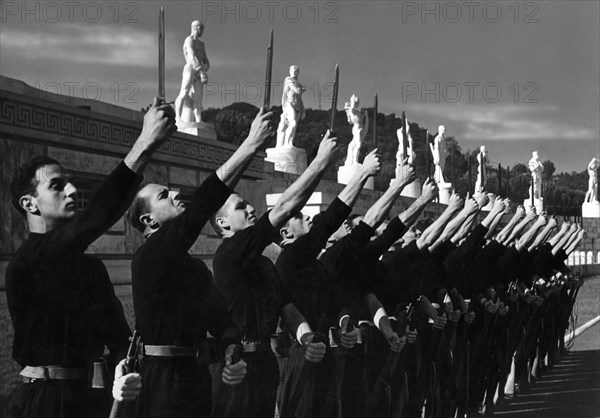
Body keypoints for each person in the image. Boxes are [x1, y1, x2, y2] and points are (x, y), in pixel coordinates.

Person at [5, 98, 176, 418]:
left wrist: (122, 371)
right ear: (29, 204)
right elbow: (98, 215)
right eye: (57, 186)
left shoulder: (89, 266)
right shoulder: (27, 263)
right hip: (42, 403)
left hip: (89, 401)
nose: (71, 190)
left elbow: (118, 338)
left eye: (70, 182)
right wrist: (145, 142)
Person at [126, 108, 273, 418]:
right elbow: (200, 209)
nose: (177, 194)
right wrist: (249, 146)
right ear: (148, 220)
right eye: (165, 195)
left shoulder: (193, 268)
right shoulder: (147, 259)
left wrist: (231, 350)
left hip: (195, 380)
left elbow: (222, 321)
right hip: (160, 383)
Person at [210, 131, 340, 418]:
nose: (250, 208)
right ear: (222, 222)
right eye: (240, 207)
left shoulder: (265, 264)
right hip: (236, 365)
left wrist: (306, 338)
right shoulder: (228, 254)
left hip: (265, 365)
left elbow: (290, 311)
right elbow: (283, 207)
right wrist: (320, 162)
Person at [175, 20, 210, 123]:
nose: (202, 31)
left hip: (199, 72)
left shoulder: (201, 44)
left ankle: (198, 118)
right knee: (184, 92)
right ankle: (177, 116)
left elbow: (205, 59)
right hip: (190, 69)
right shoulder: (188, 40)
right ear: (197, 28)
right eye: (201, 29)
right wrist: (201, 71)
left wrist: (205, 67)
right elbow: (192, 56)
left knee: (197, 97)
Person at [276, 65, 305, 148]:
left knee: (294, 126)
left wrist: (303, 110)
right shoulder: (288, 80)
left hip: (298, 106)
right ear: (290, 71)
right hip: (289, 104)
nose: (295, 73)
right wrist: (302, 89)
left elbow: (300, 98)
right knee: (292, 123)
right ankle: (286, 143)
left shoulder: (299, 83)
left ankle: (290, 143)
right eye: (293, 71)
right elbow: (296, 90)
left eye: (296, 71)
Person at [344, 94, 369, 166]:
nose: (357, 104)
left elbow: (362, 118)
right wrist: (352, 100)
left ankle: (352, 160)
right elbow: (351, 109)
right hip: (357, 128)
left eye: (358, 103)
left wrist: (365, 115)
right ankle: (355, 161)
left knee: (353, 144)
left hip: (360, 128)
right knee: (358, 144)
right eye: (356, 102)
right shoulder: (353, 110)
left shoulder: (357, 111)